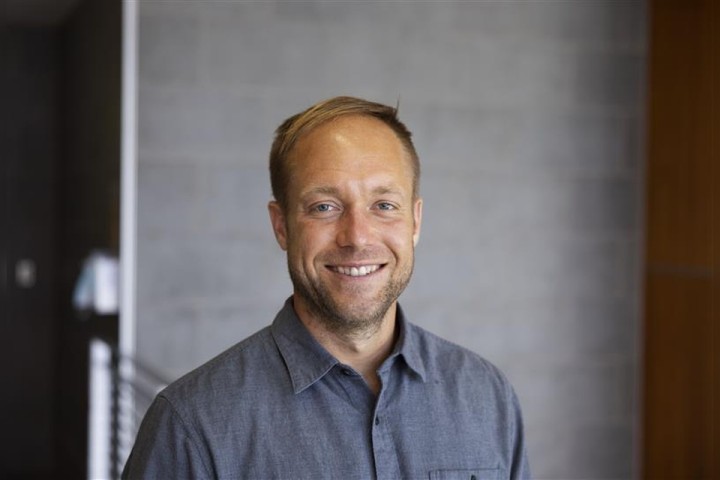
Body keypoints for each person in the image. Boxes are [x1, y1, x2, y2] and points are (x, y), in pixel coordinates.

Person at [122, 96, 531, 479]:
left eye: (384, 205)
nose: (357, 236)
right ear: (281, 225)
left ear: (415, 222)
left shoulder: (486, 397)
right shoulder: (191, 423)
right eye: (324, 207)